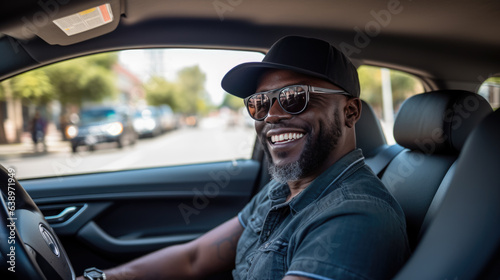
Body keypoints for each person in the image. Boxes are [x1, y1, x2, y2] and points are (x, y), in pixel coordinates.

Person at [79, 36, 409, 280]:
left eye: (294, 98)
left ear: (350, 112)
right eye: (259, 104)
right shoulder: (282, 191)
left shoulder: (356, 215)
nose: (271, 117)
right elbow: (194, 258)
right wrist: (100, 279)